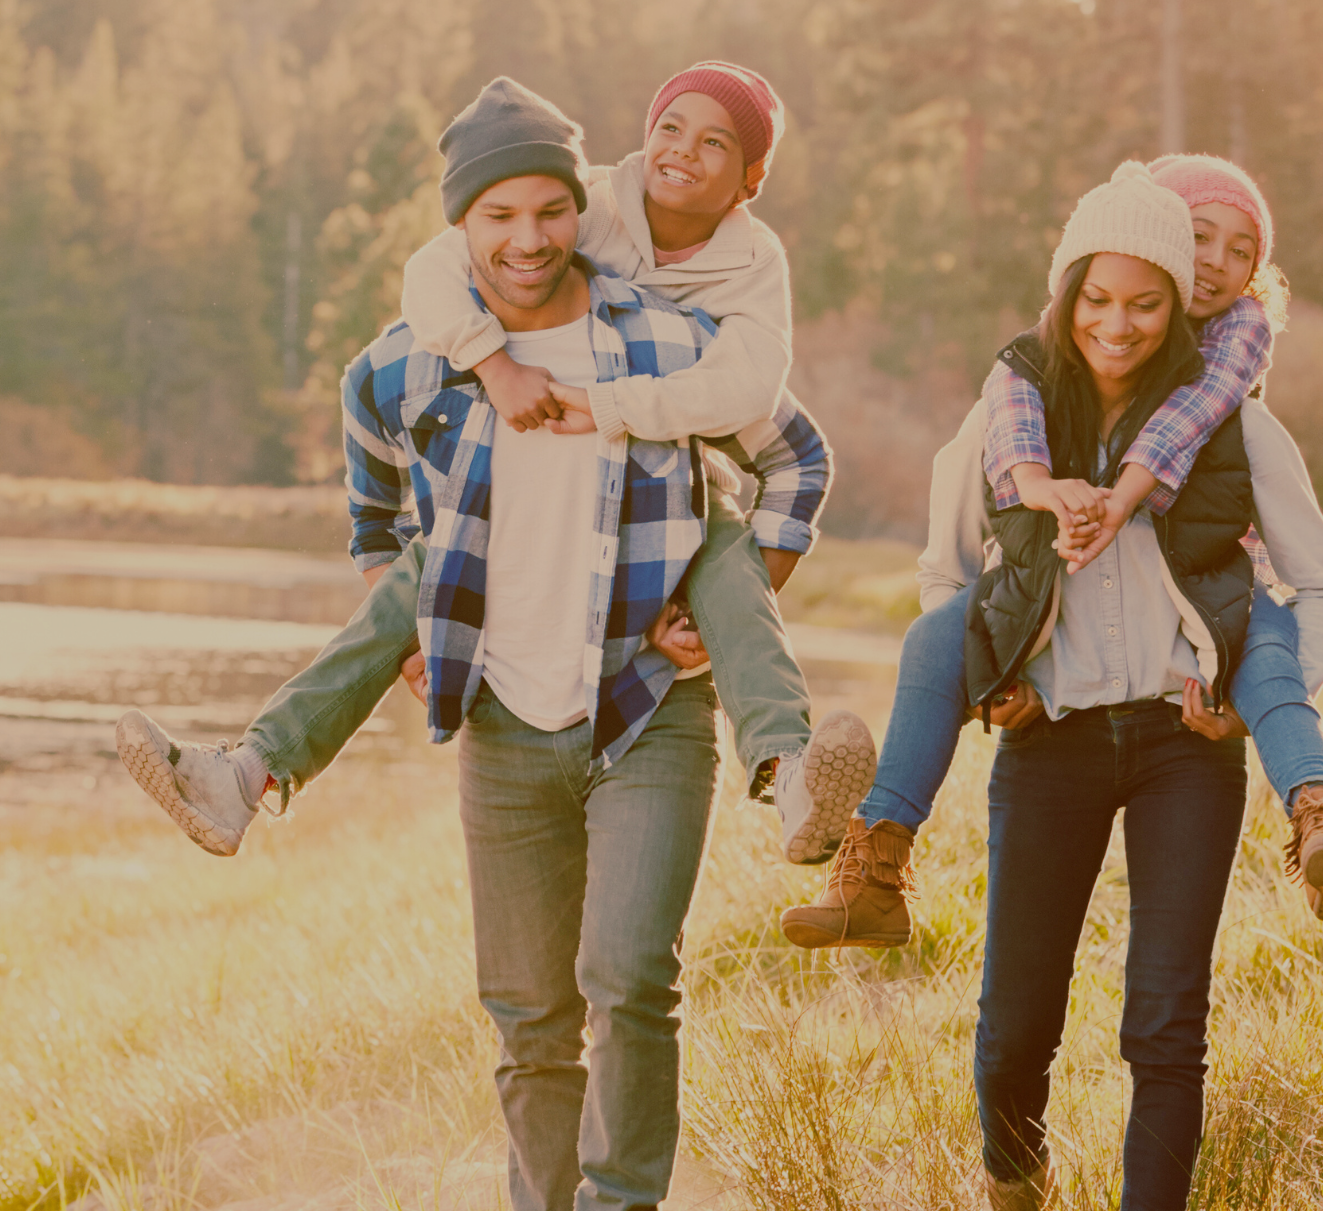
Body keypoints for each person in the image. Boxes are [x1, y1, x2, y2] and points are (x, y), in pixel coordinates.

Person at [252, 79, 831, 1211]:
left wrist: (753, 573)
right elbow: (370, 480)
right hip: (507, 720)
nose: (526, 237)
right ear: (460, 230)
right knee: (527, 1018)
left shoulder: (667, 340)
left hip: (645, 705)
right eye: (497, 214)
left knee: (628, 979)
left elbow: (797, 446)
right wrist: (397, 607)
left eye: (550, 209)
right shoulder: (418, 353)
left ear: (586, 212)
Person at [116, 64, 872, 871]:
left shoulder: (746, 274)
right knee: (428, 566)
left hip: (676, 490)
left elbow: (763, 401)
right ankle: (245, 774)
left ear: (750, 180)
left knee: (725, 554)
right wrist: (492, 365)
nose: (531, 236)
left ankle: (787, 772)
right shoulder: (585, 201)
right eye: (671, 127)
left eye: (715, 141)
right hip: (518, 487)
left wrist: (718, 602)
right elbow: (433, 272)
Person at [877, 166, 1323, 1211]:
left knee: (1165, 1016)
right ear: (1073, 291)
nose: (1121, 323)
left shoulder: (1234, 423)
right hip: (1048, 742)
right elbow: (947, 572)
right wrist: (999, 680)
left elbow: (1318, 587)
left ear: (1185, 291)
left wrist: (1238, 693)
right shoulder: (1014, 414)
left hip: (1186, 750)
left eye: (1148, 298)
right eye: (1100, 300)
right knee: (1015, 1014)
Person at [782, 153, 1323, 953]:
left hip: (1208, 615)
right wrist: (996, 670)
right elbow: (955, 542)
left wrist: (1121, 499)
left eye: (1243, 252)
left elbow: (1201, 432)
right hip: (1052, 685)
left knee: (1266, 644)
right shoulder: (1028, 376)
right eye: (1200, 238)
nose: (1219, 265)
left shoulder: (1230, 373)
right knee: (933, 637)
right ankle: (876, 860)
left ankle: (1319, 807)